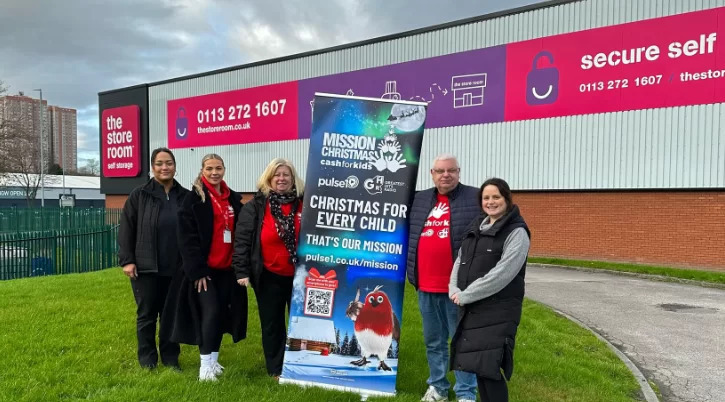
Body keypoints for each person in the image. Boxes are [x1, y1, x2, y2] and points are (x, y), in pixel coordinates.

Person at [162, 153, 248, 381]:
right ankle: (204, 367)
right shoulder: (193, 200)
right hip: (205, 272)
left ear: (224, 169)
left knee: (221, 316)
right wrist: (197, 270)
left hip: (227, 271)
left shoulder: (232, 200)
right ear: (202, 171)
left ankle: (214, 361)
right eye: (209, 168)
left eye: (218, 168)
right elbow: (186, 240)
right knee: (210, 314)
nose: (214, 172)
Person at [449, 178, 531, 402]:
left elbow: (503, 274)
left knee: (490, 368)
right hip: (473, 308)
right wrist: (453, 287)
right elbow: (461, 259)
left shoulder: (517, 232)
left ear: (506, 198)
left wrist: (466, 294)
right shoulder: (477, 226)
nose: (491, 202)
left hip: (498, 311)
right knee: (479, 367)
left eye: (496, 197)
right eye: (486, 197)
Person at [406, 154, 480, 402]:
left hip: (458, 288)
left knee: (462, 342)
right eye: (440, 171)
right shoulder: (419, 199)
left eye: (451, 170)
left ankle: (465, 393)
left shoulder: (475, 197)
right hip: (425, 286)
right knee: (434, 342)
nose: (445, 175)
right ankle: (437, 388)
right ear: (432, 173)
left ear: (459, 172)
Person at [232, 158, 304, 379]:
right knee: (272, 324)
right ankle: (276, 368)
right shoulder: (255, 206)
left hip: (301, 277)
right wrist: (242, 271)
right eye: (277, 175)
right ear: (269, 178)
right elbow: (242, 240)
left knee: (300, 322)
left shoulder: (305, 203)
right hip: (269, 275)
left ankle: (301, 366)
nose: (281, 179)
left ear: (293, 179)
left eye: (286, 175)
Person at [118, 147, 189, 370]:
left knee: (170, 316)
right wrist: (128, 260)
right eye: (159, 163)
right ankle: (148, 361)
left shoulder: (185, 196)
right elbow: (126, 229)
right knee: (147, 315)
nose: (164, 167)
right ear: (152, 167)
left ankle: (170, 359)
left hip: (176, 268)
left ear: (175, 167)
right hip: (146, 268)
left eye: (168, 163)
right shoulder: (139, 195)